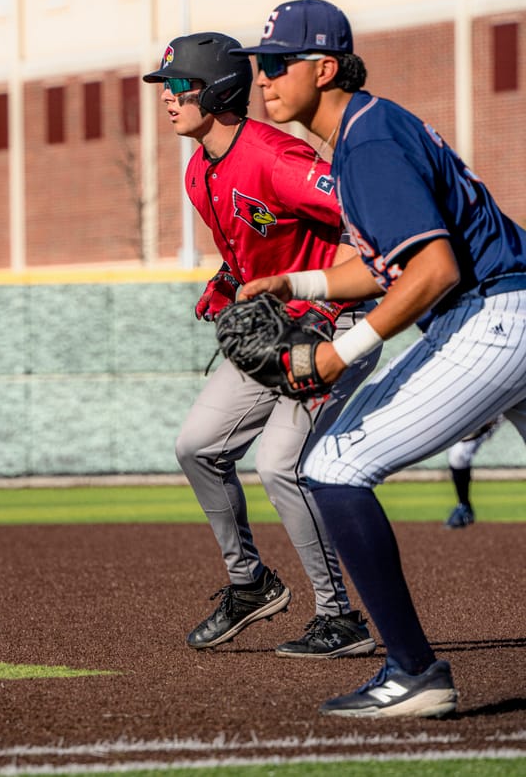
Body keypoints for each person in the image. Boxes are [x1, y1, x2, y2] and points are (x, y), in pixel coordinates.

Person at [232, 0, 526, 716]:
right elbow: (387, 264)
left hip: (493, 314)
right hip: (513, 301)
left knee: (332, 466)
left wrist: (341, 353)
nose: (262, 79)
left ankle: (414, 673)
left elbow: (434, 271)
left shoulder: (366, 144)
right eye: (259, 66)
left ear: (324, 67)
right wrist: (294, 280)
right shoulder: (373, 127)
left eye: (276, 64)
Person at [142, 32, 382, 658]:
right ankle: (249, 584)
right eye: (164, 87)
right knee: (195, 446)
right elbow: (253, 249)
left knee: (280, 463)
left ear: (219, 91)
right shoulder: (200, 171)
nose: (167, 99)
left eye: (178, 86)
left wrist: (336, 299)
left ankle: (340, 618)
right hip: (273, 332)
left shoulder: (275, 158)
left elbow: (368, 215)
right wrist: (226, 282)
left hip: (335, 325)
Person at [445, 415, 504, 528]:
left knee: (459, 454)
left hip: (498, 406)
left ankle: (464, 506)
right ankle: (463, 506)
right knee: (457, 454)